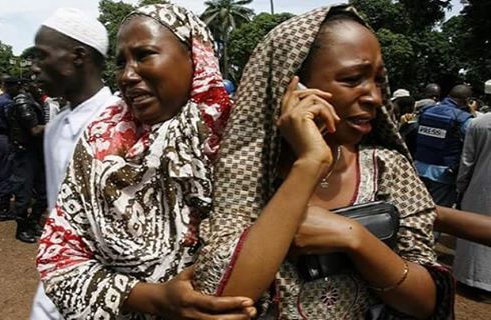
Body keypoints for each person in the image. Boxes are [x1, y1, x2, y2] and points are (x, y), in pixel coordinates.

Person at [193, 5, 453, 319]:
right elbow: (222, 294)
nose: (373, 96)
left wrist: (353, 238)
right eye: (352, 78)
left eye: (377, 80)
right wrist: (310, 164)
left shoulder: (388, 169)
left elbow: (425, 301)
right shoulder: (244, 175)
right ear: (290, 87)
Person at [36, 4, 257, 319]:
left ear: (195, 56)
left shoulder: (242, 138)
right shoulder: (100, 143)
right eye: (120, 62)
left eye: (144, 55)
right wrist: (151, 298)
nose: (127, 75)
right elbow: (59, 260)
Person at [29, 7, 120, 319]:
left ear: (78, 56)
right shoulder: (55, 127)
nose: (35, 68)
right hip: (57, 286)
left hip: (111, 292)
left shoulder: (123, 121)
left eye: (41, 56)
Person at [415, 84, 473, 208]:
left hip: (419, 167)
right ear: (467, 100)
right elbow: (472, 142)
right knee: (439, 214)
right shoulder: (462, 118)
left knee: (418, 208)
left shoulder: (426, 111)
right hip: (443, 173)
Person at [453, 111, 491, 299]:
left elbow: (467, 160)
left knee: (473, 234)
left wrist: (461, 187)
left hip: (481, 187)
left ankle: (473, 280)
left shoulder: (478, 123)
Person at [6, 82, 47, 243]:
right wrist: (61, 122)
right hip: (25, 154)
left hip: (36, 152)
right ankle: (22, 228)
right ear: (28, 85)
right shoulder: (23, 102)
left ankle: (33, 222)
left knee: (44, 193)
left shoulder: (35, 100)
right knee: (23, 193)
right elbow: (34, 130)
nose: (41, 86)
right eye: (38, 84)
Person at [0, 76, 20, 220]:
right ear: (11, 87)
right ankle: (3, 209)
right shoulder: (7, 103)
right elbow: (12, 123)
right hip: (6, 139)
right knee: (6, 174)